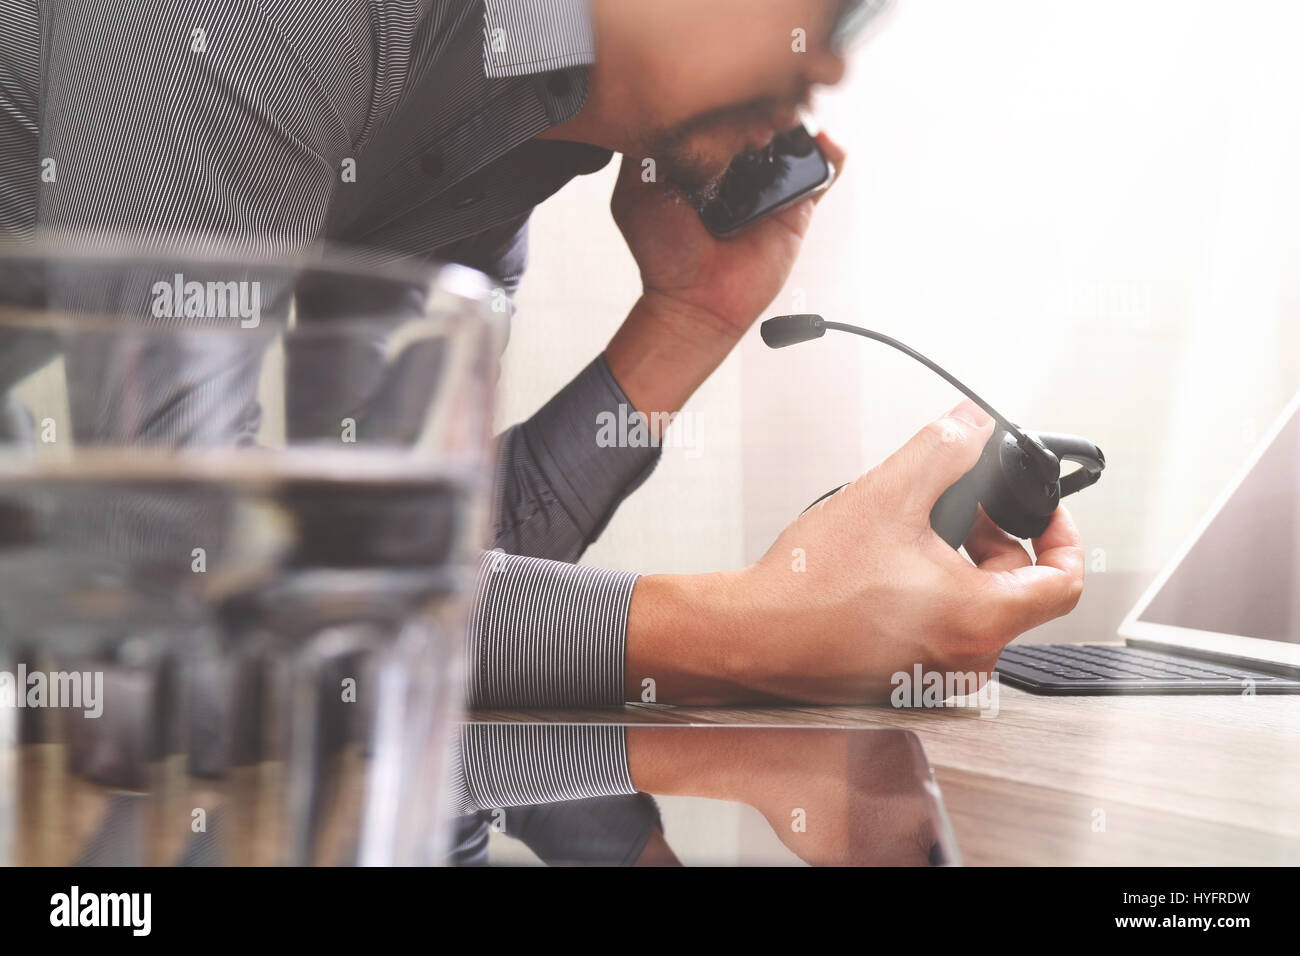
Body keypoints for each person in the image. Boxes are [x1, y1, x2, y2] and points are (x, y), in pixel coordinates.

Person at [0, 0, 1084, 861]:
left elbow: (431, 590)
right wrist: (757, 631)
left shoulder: (510, 139)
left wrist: (684, 321)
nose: (832, 60)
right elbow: (168, 585)